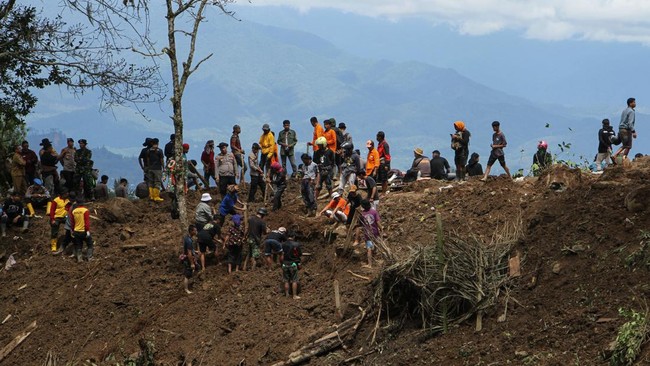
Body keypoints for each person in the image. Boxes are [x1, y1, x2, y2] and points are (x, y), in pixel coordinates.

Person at [357, 199, 381, 268]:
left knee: (369, 248)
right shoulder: (374, 212)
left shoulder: (362, 214)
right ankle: (377, 258)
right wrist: (381, 229)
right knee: (376, 243)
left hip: (367, 233)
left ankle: (370, 264)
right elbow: (378, 222)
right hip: (375, 231)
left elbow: (360, 225)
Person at [70, 198, 93, 262]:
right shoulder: (85, 210)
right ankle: (89, 258)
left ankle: (79, 259)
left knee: (79, 245)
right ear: (83, 203)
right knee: (90, 244)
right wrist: (87, 230)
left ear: (77, 203)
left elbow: (72, 222)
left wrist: (72, 230)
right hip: (84, 231)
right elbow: (87, 222)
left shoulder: (74, 211)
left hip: (76, 231)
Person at [281, 231, 302, 300]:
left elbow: (281, 254)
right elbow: (299, 254)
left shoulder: (283, 244)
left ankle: (287, 294)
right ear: (293, 237)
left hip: (285, 264)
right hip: (293, 263)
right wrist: (299, 263)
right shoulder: (296, 244)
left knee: (286, 280)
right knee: (294, 280)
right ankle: (294, 295)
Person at [181, 225, 199, 294]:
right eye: (195, 230)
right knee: (187, 274)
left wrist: (195, 251)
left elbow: (190, 249)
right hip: (188, 259)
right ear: (191, 231)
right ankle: (186, 289)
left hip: (189, 257)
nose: (196, 232)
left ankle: (194, 280)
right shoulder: (188, 240)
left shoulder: (188, 238)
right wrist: (191, 263)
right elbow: (189, 253)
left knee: (197, 267)